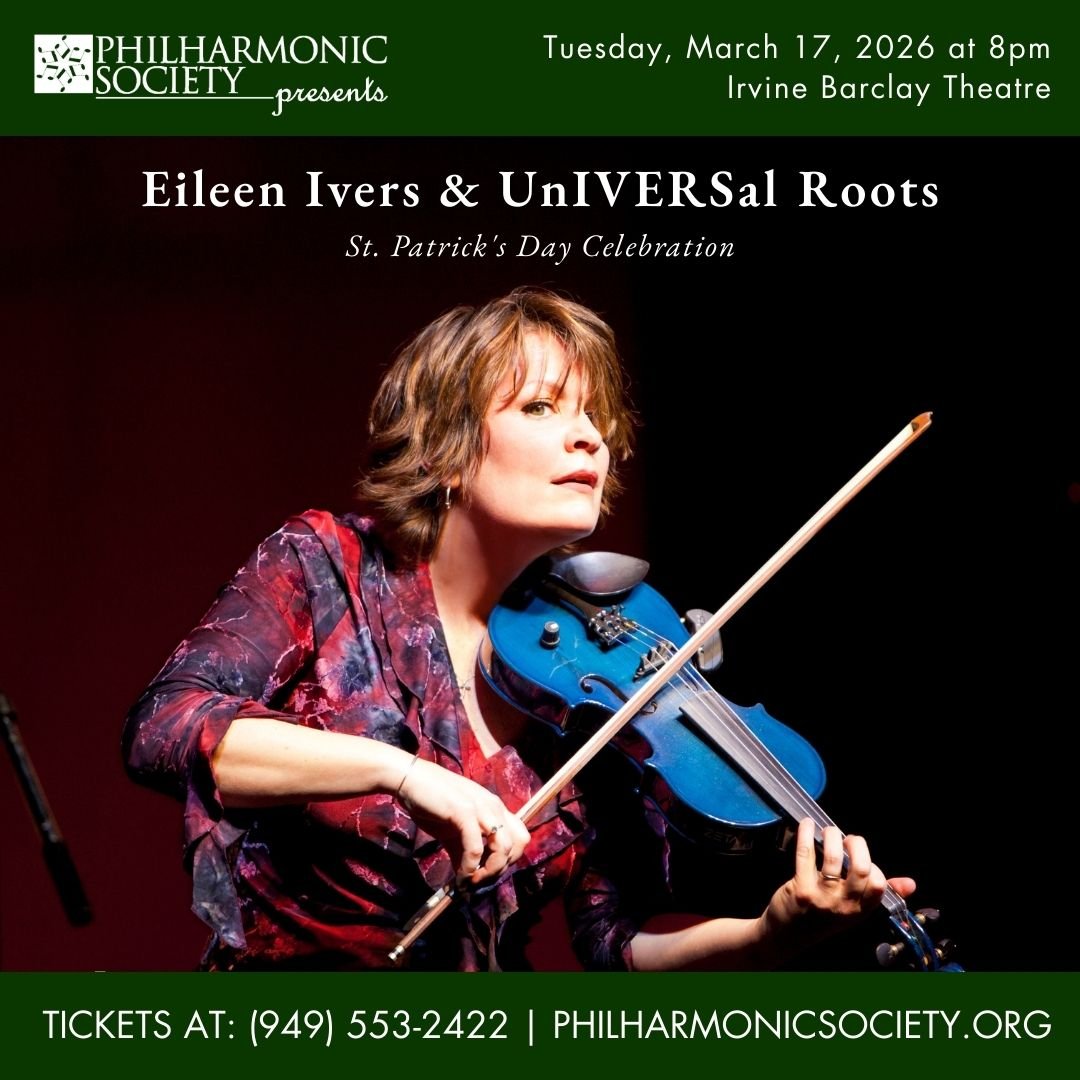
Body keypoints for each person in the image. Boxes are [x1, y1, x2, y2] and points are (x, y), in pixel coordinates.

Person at [123, 287, 914, 971]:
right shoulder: (329, 567)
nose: (590, 436)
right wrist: (403, 773)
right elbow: (167, 728)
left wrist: (771, 933)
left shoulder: (602, 671)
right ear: (444, 450)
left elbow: (613, 942)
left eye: (594, 416)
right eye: (541, 407)